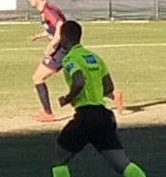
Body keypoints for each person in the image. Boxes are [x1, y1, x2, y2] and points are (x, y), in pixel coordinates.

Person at [48, 21, 148, 177]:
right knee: (123, 164)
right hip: (103, 117)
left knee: (59, 161)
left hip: (85, 117)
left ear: (63, 37)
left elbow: (79, 80)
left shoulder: (70, 59)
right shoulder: (95, 58)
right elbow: (109, 87)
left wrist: (68, 98)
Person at [29, 0, 69, 122]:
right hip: (65, 48)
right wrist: (39, 36)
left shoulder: (48, 11)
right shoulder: (48, 9)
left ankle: (48, 114)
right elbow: (53, 28)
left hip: (61, 50)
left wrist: (51, 46)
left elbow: (61, 26)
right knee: (80, 76)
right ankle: (113, 94)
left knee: (37, 77)